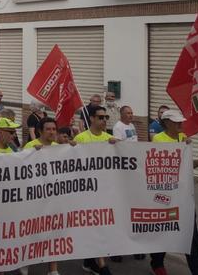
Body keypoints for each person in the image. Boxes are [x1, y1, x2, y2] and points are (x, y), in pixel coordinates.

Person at [149, 109, 198, 275]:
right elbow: (163, 166)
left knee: (191, 237)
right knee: (163, 232)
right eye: (177, 122)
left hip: (184, 197)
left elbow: (187, 168)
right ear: (167, 123)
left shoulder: (184, 139)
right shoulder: (158, 139)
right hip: (165, 197)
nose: (181, 124)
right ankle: (156, 263)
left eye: (181, 122)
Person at [73, 106, 117, 275]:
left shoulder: (110, 138)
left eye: (106, 117)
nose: (105, 120)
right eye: (100, 117)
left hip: (104, 191)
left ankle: (90, 261)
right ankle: (102, 265)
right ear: (91, 119)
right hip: (86, 191)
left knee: (100, 227)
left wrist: (118, 145)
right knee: (93, 226)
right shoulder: (81, 138)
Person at [23, 117, 60, 275]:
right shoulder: (30, 146)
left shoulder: (59, 147)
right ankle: (25, 261)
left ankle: (53, 269)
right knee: (31, 231)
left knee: (53, 232)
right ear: (40, 131)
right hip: (34, 197)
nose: (52, 132)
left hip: (53, 197)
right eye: (48, 129)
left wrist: (73, 149)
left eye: (54, 129)